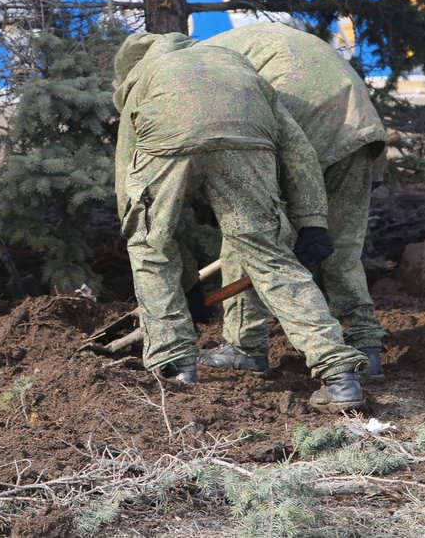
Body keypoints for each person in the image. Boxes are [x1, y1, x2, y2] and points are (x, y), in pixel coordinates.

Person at [113, 32, 368, 411]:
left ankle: (175, 368)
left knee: (150, 248)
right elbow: (296, 149)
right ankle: (339, 374)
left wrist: (184, 284)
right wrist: (312, 219)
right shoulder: (235, 66)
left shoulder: (147, 75)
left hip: (166, 136)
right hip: (248, 134)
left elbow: (130, 193)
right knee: (270, 255)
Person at [197, 23, 389, 379]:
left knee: (246, 229)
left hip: (299, 116)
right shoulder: (230, 43)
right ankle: (365, 346)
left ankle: (244, 346)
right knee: (343, 247)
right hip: (356, 122)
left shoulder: (197, 70)